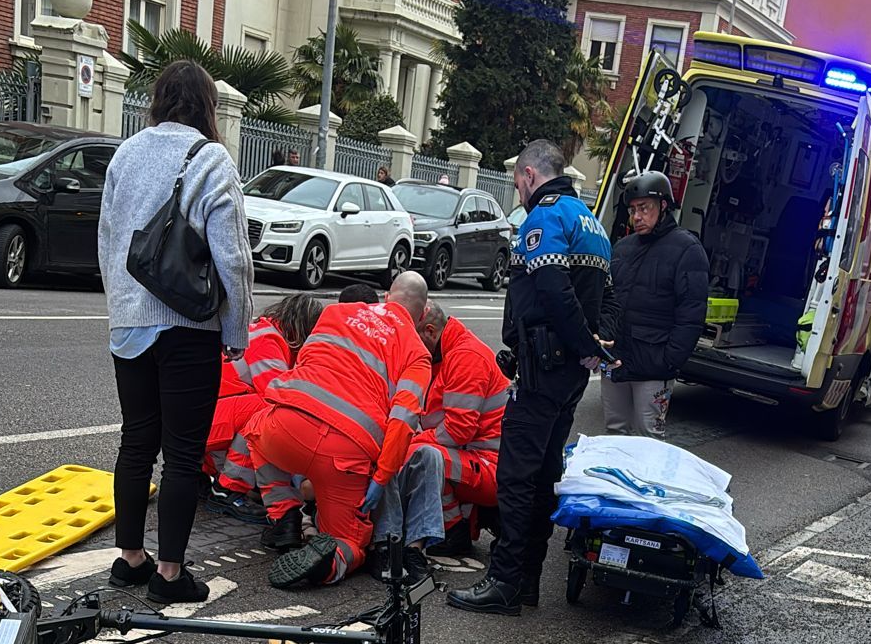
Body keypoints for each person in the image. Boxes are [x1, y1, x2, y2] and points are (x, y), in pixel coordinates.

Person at [98, 60, 253, 604]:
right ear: (208, 106)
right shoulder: (212, 159)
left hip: (130, 324)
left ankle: (130, 560)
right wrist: (235, 329)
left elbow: (109, 239)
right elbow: (232, 257)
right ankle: (169, 576)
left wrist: (120, 307)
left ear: (159, 99)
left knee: (135, 441)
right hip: (188, 325)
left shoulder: (126, 153)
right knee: (183, 453)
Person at [448, 139, 612, 616]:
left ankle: (503, 581)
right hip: (569, 376)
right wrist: (597, 346)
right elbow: (610, 298)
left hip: (542, 370)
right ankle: (528, 581)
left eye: (518, 182)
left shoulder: (545, 216)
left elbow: (554, 291)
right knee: (543, 477)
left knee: (517, 479)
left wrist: (585, 344)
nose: (519, 191)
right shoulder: (594, 224)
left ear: (527, 175)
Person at [246, 271, 441, 589]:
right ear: (421, 317)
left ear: (388, 297)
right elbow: (402, 424)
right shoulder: (416, 354)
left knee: (255, 432)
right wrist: (380, 479)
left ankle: (285, 516)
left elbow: (307, 360)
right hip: (346, 452)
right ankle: (330, 564)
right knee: (351, 541)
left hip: (289, 426)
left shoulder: (337, 312)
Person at [601, 169, 708, 438]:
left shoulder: (687, 249)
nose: (637, 216)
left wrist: (669, 361)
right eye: (633, 210)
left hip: (654, 366)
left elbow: (691, 315)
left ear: (662, 206)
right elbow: (609, 300)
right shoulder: (623, 248)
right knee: (614, 433)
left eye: (644, 208)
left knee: (648, 439)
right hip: (616, 361)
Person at [412, 302, 508, 552]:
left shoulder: (465, 357)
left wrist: (412, 442)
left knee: (420, 457)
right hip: (480, 457)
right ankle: (460, 519)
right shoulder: (447, 351)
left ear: (430, 332)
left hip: (491, 466)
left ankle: (453, 530)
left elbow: (456, 431)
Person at [208, 294, 323, 497]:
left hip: (206, 417)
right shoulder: (267, 341)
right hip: (209, 422)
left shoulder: (264, 332)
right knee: (270, 412)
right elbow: (279, 395)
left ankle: (228, 478)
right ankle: (231, 487)